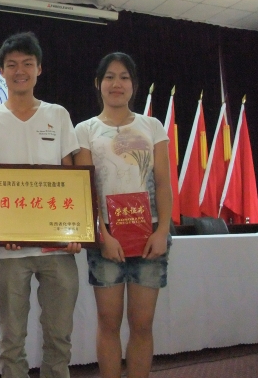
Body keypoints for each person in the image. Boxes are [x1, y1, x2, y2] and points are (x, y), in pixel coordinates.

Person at [0, 31, 81, 378]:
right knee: (11, 342)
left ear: (39, 69)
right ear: (2, 72)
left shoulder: (58, 114)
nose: (19, 71)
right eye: (12, 65)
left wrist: (76, 230)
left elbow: (71, 175)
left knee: (59, 338)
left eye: (27, 63)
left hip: (58, 247)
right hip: (9, 250)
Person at [73, 52, 172, 378]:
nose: (117, 84)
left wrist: (162, 231)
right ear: (98, 83)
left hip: (149, 235)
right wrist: (102, 236)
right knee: (108, 323)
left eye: (124, 77)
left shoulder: (152, 126)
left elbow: (163, 183)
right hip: (107, 237)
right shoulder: (84, 130)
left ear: (134, 85)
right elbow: (85, 188)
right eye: (110, 77)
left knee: (142, 325)